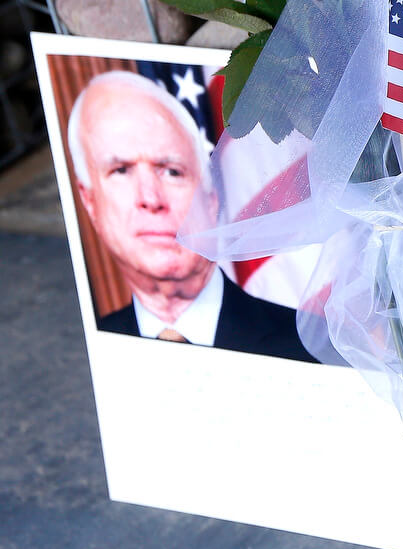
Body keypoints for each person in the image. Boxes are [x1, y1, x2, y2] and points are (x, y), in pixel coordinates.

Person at [68, 70, 316, 363]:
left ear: (211, 200)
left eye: (172, 171)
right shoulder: (99, 348)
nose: (150, 198)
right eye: (121, 170)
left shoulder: (307, 344)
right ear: (89, 200)